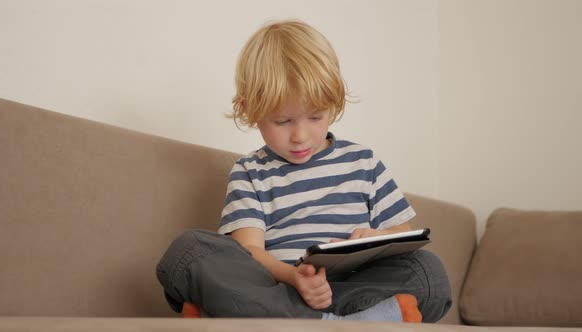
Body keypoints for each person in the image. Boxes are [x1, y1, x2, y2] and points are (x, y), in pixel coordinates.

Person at [156, 19, 451, 322]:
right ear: (250, 110)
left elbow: (403, 234)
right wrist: (295, 276)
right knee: (187, 253)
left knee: (429, 273)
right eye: (283, 121)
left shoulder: (364, 162)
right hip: (280, 286)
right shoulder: (250, 172)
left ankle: (258, 316)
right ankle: (338, 323)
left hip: (350, 290)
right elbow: (250, 252)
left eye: (315, 117)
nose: (300, 136)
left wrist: (377, 236)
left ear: (333, 103)